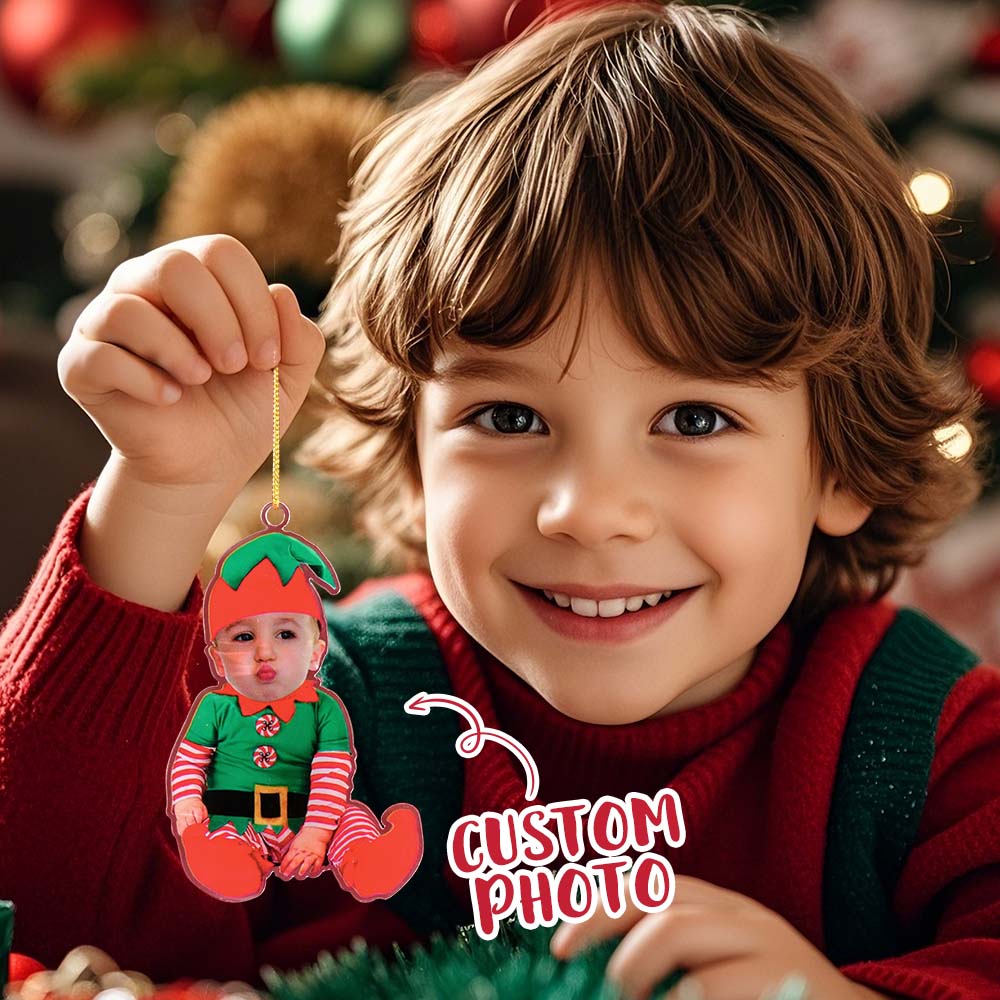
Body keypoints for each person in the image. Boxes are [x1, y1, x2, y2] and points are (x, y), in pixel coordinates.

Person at [1, 1, 999, 997]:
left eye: (694, 420)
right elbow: (57, 910)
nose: (589, 510)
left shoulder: (926, 736)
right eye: (511, 418)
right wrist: (160, 493)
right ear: (415, 450)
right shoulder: (318, 710)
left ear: (840, 464)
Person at [167, 527, 422, 904]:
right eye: (243, 637)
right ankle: (226, 865)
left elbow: (332, 774)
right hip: (239, 820)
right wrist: (186, 800)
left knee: (352, 820)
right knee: (220, 839)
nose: (265, 652)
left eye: (285, 634)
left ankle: (370, 861)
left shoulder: (324, 708)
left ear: (316, 653)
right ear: (218, 659)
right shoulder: (215, 706)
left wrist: (317, 834)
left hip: (312, 817)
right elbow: (189, 761)